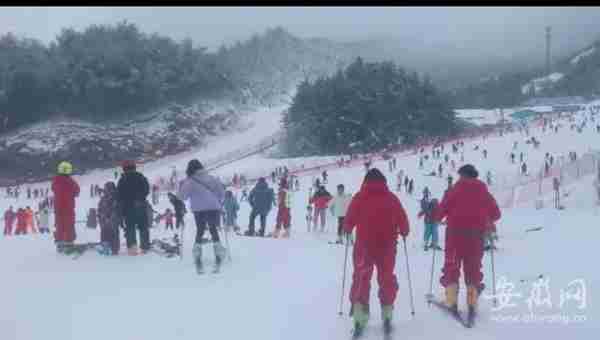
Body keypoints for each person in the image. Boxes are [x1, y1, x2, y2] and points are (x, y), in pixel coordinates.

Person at [343, 168, 410, 334]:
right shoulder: (391, 198)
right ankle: (387, 313)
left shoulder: (360, 197)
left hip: (364, 246)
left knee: (361, 277)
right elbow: (403, 219)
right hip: (387, 246)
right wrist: (404, 230)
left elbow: (349, 219)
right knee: (386, 277)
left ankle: (359, 315)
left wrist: (347, 228)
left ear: (365, 181)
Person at [433, 164, 501, 317]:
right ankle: (471, 303)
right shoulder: (483, 191)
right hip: (476, 237)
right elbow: (496, 214)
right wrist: (483, 216)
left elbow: (439, 213)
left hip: (455, 236)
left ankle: (451, 301)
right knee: (473, 269)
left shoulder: (454, 190)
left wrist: (437, 216)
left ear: (462, 175)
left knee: (452, 266)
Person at [178, 159, 226, 274]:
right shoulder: (211, 178)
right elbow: (221, 192)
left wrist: (181, 187)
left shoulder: (189, 181)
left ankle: (197, 253)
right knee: (213, 229)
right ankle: (219, 251)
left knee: (200, 230)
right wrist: (217, 201)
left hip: (199, 210)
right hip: (213, 208)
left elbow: (182, 196)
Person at [117, 160, 151, 256]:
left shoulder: (122, 179)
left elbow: (119, 195)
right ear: (134, 167)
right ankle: (145, 247)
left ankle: (132, 249)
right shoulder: (141, 177)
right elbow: (147, 189)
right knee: (143, 227)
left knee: (130, 228)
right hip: (140, 206)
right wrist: (140, 198)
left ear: (124, 168)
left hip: (128, 208)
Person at [52, 161, 80, 252]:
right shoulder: (70, 181)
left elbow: (53, 189)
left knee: (59, 224)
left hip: (58, 207)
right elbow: (77, 191)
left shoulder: (55, 180)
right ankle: (68, 242)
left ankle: (60, 242)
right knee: (69, 224)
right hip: (68, 207)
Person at [98, 182, 122, 255]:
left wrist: (102, 217)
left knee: (108, 232)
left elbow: (117, 209)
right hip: (109, 220)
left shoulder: (113, 198)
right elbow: (100, 209)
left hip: (110, 220)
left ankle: (110, 248)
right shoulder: (114, 197)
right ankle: (111, 248)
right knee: (109, 232)